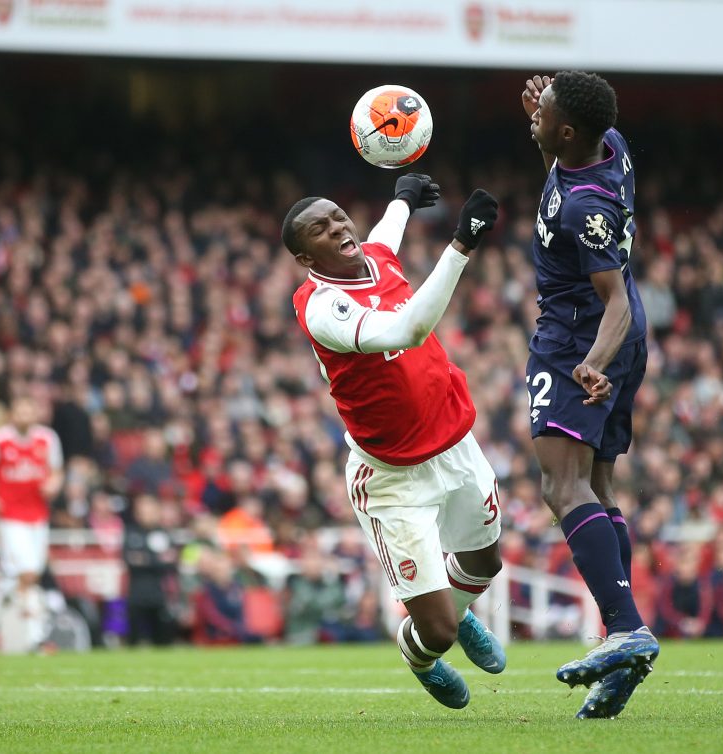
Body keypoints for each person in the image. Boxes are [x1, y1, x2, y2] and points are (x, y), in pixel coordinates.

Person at [282, 174, 505, 709]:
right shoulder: (321, 306)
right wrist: (460, 246)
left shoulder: (376, 259)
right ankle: (419, 654)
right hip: (392, 475)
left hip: (453, 442)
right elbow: (407, 330)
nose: (337, 227)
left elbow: (385, 237)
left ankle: (459, 608)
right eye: (320, 228)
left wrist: (403, 199)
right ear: (303, 257)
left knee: (484, 562)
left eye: (338, 216)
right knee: (438, 633)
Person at [521, 71, 658, 718]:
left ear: (568, 130)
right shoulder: (604, 144)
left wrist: (593, 365)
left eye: (544, 112)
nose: (535, 113)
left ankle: (627, 629)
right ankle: (621, 644)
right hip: (600, 329)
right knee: (598, 491)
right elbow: (563, 166)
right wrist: (546, 137)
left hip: (580, 335)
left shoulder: (586, 207)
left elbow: (616, 307)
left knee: (561, 486)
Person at [0, 395, 64, 651]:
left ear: (35, 414)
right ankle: (36, 637)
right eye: (19, 411)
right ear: (12, 414)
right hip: (9, 516)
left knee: (22, 575)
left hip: (38, 515)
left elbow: (57, 470)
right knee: (28, 573)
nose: (24, 415)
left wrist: (54, 483)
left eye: (28, 411)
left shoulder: (47, 438)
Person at [122, 494, 178, 646]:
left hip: (159, 595)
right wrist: (157, 559)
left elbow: (172, 562)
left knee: (163, 641)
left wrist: (145, 559)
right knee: (134, 641)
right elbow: (129, 560)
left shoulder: (164, 533)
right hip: (136, 595)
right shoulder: (131, 532)